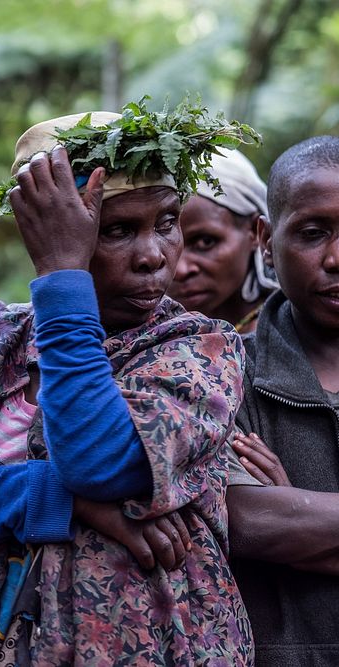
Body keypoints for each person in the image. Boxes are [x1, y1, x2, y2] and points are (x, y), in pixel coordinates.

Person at [0, 112, 253, 665]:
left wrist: (63, 282)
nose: (154, 255)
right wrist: (66, 499)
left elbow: (102, 462)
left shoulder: (199, 348)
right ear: (43, 232)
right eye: (116, 230)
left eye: (167, 222)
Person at [227, 135, 339, 666]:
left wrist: (297, 509)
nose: (337, 258)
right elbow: (245, 521)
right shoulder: (221, 377)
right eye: (314, 234)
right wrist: (275, 521)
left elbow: (280, 525)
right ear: (266, 240)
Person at [169, 150, 276, 332]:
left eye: (205, 242)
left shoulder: (299, 331)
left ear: (255, 231)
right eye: (167, 243)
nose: (181, 270)